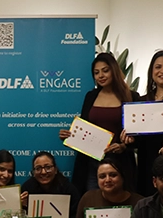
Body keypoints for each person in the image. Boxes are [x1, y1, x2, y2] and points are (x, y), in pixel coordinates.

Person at [60, 52, 140, 196]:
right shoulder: (91, 96)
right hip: (92, 163)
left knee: (120, 203)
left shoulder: (131, 96)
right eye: (96, 73)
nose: (101, 76)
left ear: (114, 71)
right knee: (93, 202)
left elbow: (138, 134)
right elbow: (84, 127)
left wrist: (123, 146)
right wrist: (70, 137)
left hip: (120, 163)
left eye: (105, 70)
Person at [121, 50, 163, 196]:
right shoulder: (141, 100)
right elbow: (138, 140)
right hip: (147, 165)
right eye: (158, 67)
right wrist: (129, 140)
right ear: (151, 71)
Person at [72, 158, 144, 218]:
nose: (107, 180)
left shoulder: (140, 203)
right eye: (102, 176)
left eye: (113, 175)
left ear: (122, 177)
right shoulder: (88, 197)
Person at [20, 151, 80, 218]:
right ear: (33, 172)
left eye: (48, 167)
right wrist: (21, 206)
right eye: (38, 168)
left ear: (55, 170)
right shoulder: (27, 188)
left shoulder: (68, 189)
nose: (43, 172)